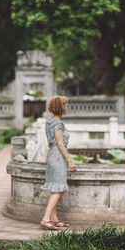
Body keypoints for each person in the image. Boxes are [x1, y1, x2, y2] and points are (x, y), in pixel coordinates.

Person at [40, 95, 77, 230]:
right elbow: (60, 144)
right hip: (58, 157)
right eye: (66, 105)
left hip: (52, 155)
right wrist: (70, 161)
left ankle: (54, 219)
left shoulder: (49, 122)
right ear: (61, 108)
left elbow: (51, 143)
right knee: (60, 188)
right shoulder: (58, 124)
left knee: (55, 187)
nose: (67, 108)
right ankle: (46, 218)